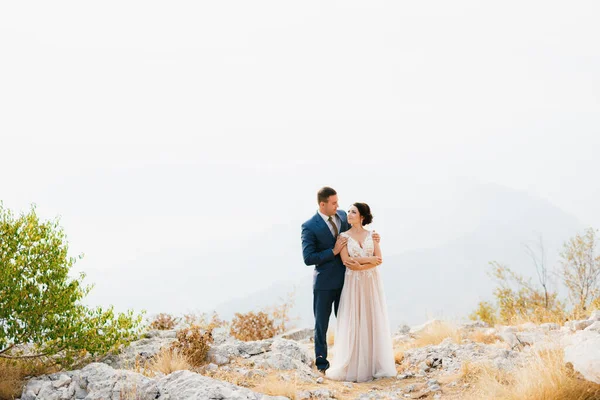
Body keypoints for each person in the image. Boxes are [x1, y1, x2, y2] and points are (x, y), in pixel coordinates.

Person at [301, 187, 380, 372]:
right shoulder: (309, 226)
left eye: (338, 202)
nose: (338, 206)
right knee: (322, 324)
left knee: (350, 322)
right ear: (322, 204)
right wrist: (333, 252)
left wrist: (374, 238)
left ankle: (354, 360)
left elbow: (357, 232)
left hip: (349, 281)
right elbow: (308, 258)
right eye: (334, 203)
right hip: (325, 283)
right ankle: (322, 364)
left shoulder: (343, 215)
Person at [325, 202, 396, 382]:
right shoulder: (343, 237)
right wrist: (364, 263)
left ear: (362, 216)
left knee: (372, 317)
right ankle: (355, 363)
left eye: (353, 212)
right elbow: (346, 261)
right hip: (354, 282)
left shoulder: (372, 235)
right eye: (348, 211)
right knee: (355, 318)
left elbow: (379, 259)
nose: (349, 214)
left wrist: (363, 262)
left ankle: (374, 363)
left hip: (371, 281)